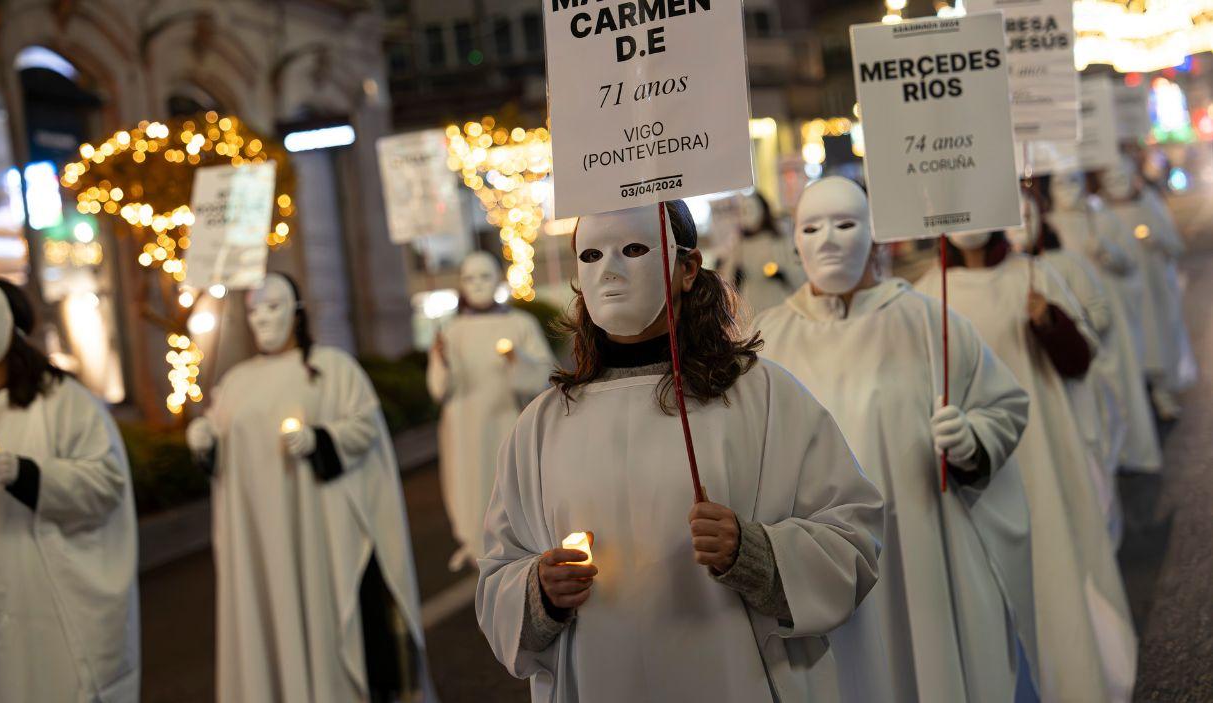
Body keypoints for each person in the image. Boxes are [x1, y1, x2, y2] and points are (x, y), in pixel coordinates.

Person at [476, 200, 885, 702]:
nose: (610, 270)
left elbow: (853, 533)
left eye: (633, 249)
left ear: (687, 268)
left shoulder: (762, 396)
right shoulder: (541, 425)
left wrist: (754, 553)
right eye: (591, 255)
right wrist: (540, 592)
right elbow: (498, 572)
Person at [754, 177, 1036, 702]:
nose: (830, 241)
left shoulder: (929, 322)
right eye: (812, 227)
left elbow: (1004, 405)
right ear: (794, 240)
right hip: (820, 564)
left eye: (845, 224)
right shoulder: (767, 342)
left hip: (918, 549)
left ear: (875, 236)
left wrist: (971, 440)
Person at [187, 273, 433, 703]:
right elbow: (222, 442)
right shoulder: (235, 383)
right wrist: (205, 438)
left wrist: (321, 439)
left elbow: (364, 427)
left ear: (297, 311)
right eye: (254, 309)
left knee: (329, 623)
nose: (263, 317)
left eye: (274, 306)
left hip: (319, 534)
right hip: (261, 543)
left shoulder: (332, 370)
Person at [915, 233, 1137, 703]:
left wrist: (1049, 321)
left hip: (1040, 450)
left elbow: (1080, 361)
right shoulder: (927, 292)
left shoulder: (1030, 276)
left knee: (1054, 561)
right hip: (972, 465)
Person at [0, 278, 141, 702]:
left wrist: (32, 477)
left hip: (43, 602)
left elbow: (105, 482)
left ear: (14, 328)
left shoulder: (64, 402)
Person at [428, 252, 555, 571]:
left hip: (505, 419)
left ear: (498, 278)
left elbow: (542, 374)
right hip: (465, 425)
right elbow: (439, 388)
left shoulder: (519, 324)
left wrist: (517, 360)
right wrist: (442, 361)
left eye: (484, 276)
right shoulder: (452, 331)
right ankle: (473, 542)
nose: (478, 285)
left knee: (508, 479)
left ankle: (515, 546)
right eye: (470, 278)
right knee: (470, 482)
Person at [1039, 176, 1162, 473]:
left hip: (1110, 318)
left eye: (1073, 181)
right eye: (1062, 184)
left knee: (1120, 384)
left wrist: (1110, 252)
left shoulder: (1102, 218)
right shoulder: (1046, 227)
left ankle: (1130, 452)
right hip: (1070, 325)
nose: (1069, 189)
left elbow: (1130, 263)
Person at [1092, 157, 1196, 420]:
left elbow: (1175, 245)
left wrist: (1154, 239)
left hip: (1153, 288)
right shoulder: (1098, 213)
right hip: (1119, 290)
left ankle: (1162, 392)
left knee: (1156, 336)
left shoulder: (1148, 204)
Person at [724, 192, 805, 317]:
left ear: (762, 211)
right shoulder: (739, 246)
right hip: (750, 304)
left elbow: (798, 275)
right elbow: (728, 280)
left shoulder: (779, 241)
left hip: (777, 301)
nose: (747, 215)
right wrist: (736, 275)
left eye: (751, 209)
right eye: (743, 211)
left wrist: (782, 274)